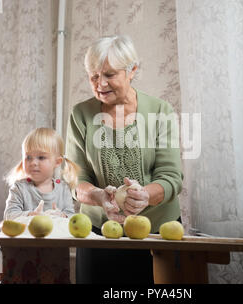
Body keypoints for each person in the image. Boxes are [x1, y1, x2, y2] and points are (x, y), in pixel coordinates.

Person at [66, 35, 183, 284]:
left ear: (132, 71)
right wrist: (99, 196)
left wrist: (145, 196)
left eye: (109, 74)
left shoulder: (160, 111)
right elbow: (77, 179)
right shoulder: (81, 114)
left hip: (157, 233)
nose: (101, 84)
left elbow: (171, 177)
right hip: (98, 235)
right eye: (94, 76)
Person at [0, 127, 80, 284]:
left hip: (52, 260)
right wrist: (30, 215)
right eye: (28, 157)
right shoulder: (19, 188)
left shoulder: (63, 189)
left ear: (57, 162)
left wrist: (61, 216)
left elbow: (73, 219)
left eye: (41, 157)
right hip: (17, 257)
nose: (33, 162)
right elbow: (9, 216)